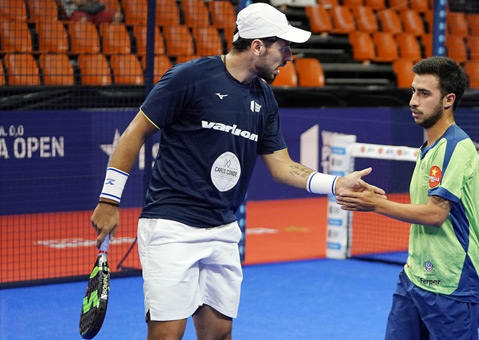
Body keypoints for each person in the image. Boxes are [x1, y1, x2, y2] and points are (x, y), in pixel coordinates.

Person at [90, 3, 383, 340]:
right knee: (167, 335)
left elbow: (282, 166)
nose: (289, 57)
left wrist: (336, 183)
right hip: (172, 227)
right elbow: (134, 134)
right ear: (257, 45)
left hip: (223, 230)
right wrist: (109, 200)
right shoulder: (190, 77)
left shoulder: (265, 99)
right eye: (283, 47)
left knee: (219, 335)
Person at [336, 57, 479, 340]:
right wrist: (375, 198)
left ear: (448, 100)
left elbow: (435, 214)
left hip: (453, 285)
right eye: (414, 91)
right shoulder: (428, 148)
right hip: (414, 277)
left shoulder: (456, 148)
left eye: (424, 93)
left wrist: (375, 204)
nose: (413, 101)